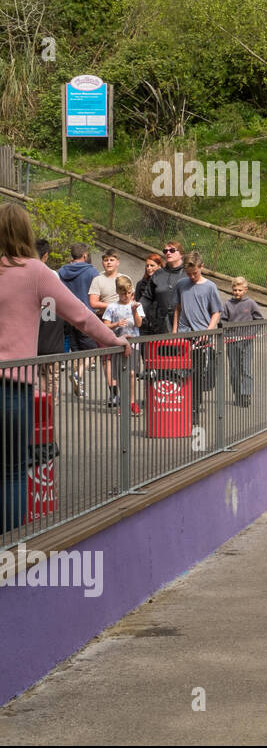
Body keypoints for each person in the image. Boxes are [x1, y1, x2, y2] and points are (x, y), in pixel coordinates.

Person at [0, 204, 128, 532]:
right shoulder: (35, 271)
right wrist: (113, 341)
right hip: (15, 387)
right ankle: (10, 553)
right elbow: (81, 315)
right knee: (13, 470)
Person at [173, 251, 223, 426]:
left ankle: (193, 411)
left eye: (195, 273)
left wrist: (208, 332)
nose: (192, 277)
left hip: (201, 337)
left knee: (196, 375)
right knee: (180, 373)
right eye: (189, 274)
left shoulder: (210, 287)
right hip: (183, 335)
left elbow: (216, 312)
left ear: (202, 267)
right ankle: (182, 406)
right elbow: (178, 309)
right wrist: (174, 332)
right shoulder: (181, 285)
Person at [89, 250, 132, 403]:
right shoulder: (98, 280)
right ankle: (113, 394)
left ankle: (128, 394)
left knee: (125, 356)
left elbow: (131, 298)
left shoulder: (125, 279)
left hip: (125, 323)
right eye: (106, 260)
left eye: (111, 260)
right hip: (104, 322)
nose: (108, 262)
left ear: (117, 262)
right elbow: (93, 303)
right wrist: (114, 306)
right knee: (107, 359)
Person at [57, 242, 99, 397]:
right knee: (93, 352)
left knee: (77, 353)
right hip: (86, 316)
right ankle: (77, 377)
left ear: (71, 256)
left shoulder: (61, 271)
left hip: (67, 316)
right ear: (85, 255)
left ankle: (79, 386)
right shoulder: (92, 272)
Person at [102, 275, 144, 416]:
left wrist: (133, 311)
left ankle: (131, 402)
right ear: (118, 292)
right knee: (120, 375)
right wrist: (116, 324)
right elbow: (105, 326)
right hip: (117, 344)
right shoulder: (112, 307)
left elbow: (139, 324)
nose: (126, 296)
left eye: (128, 293)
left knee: (132, 373)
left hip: (133, 345)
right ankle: (125, 402)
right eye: (122, 293)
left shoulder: (136, 305)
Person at [220, 276, 264, 408]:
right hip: (232, 341)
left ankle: (246, 395)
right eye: (235, 290)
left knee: (245, 368)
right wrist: (227, 333)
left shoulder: (250, 304)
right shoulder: (228, 304)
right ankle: (237, 394)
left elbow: (259, 319)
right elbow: (222, 320)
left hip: (247, 341)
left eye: (239, 290)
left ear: (245, 290)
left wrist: (250, 334)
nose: (237, 292)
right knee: (234, 369)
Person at [34, 239, 66, 402]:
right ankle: (51, 399)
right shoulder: (52, 275)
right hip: (51, 332)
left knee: (42, 373)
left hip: (37, 335)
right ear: (45, 256)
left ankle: (44, 399)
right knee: (52, 373)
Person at [140, 239, 186, 335]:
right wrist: (137, 312)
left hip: (184, 324)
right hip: (161, 325)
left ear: (181, 254)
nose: (168, 253)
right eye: (165, 251)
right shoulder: (158, 274)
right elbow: (147, 298)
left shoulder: (188, 273)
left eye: (172, 250)